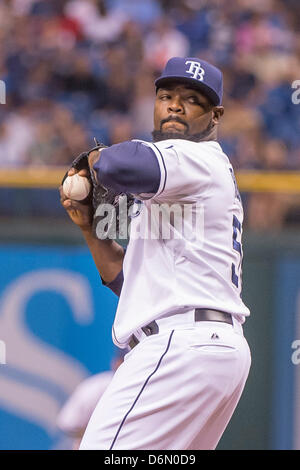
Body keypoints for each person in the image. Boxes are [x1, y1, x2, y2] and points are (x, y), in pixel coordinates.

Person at [60, 56, 251, 450]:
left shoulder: (195, 157)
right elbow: (129, 283)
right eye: (166, 96)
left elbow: (117, 163)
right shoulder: (182, 183)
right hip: (210, 348)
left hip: (180, 346)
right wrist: (90, 230)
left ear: (215, 116)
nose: (175, 105)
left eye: (192, 99)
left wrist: (91, 158)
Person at [56, 350, 125, 450]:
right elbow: (67, 423)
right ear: (116, 363)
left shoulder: (147, 387)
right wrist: (96, 433)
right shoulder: (96, 387)